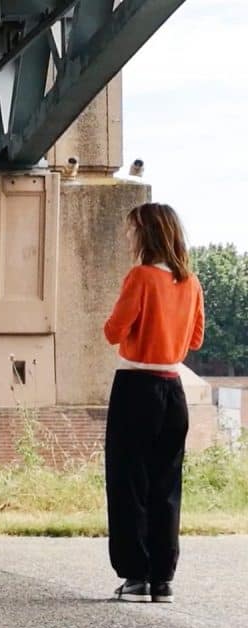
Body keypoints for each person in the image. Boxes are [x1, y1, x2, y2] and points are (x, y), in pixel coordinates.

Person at [102, 202, 204, 604]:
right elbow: (194, 341)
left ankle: (135, 576)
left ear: (145, 234)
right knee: (166, 486)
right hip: (173, 389)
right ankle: (163, 578)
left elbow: (113, 331)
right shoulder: (191, 282)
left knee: (129, 483)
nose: (128, 237)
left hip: (135, 386)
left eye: (131, 230)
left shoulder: (140, 277)